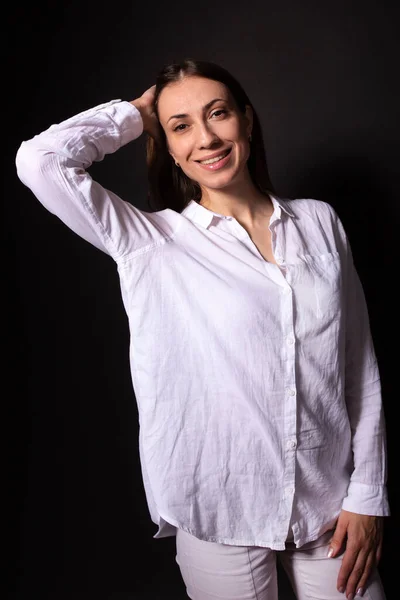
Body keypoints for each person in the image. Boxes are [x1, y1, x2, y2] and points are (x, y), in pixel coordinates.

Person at [15, 58, 390, 600]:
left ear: (247, 119)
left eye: (218, 114)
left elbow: (359, 365)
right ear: (165, 145)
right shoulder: (150, 242)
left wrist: (368, 495)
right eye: (181, 126)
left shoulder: (320, 222)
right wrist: (134, 115)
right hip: (218, 507)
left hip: (328, 505)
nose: (207, 138)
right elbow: (40, 162)